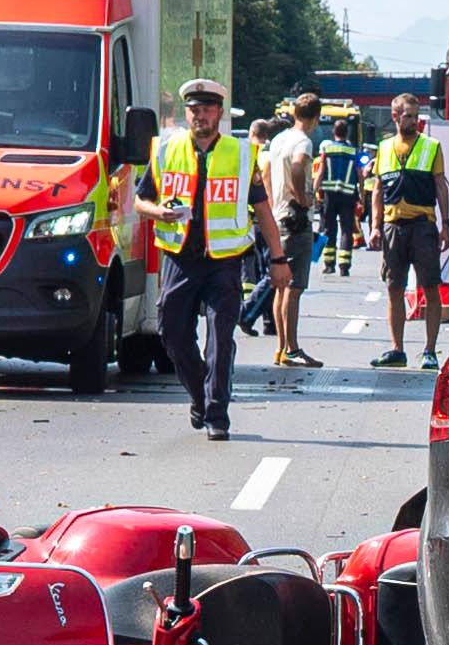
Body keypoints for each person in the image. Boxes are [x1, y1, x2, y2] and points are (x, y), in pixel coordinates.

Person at [126, 77, 268, 440]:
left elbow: (262, 209)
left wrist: (279, 260)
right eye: (194, 110)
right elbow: (140, 200)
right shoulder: (166, 149)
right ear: (186, 113)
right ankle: (200, 397)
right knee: (171, 333)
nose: (200, 115)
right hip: (180, 257)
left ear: (218, 113)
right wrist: (158, 212)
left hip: (224, 261)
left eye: (206, 109)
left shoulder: (240, 154)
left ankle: (217, 414)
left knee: (220, 339)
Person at [368, 94, 449, 367]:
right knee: (394, 287)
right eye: (408, 116)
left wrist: (446, 225)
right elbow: (378, 190)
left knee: (430, 287)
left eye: (416, 116)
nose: (414, 121)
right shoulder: (384, 148)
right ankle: (397, 350)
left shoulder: (431, 147)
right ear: (395, 117)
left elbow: (440, 186)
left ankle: (430, 350)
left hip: (422, 225)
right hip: (394, 227)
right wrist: (375, 226)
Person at [262, 94, 326, 369]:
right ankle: (293, 348)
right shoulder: (303, 142)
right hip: (295, 218)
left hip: (277, 215)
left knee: (281, 287)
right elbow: (299, 166)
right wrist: (302, 197)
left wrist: (270, 201)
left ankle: (281, 348)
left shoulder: (279, 139)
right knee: (295, 288)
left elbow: (265, 172)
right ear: (315, 117)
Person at [316, 113, 366, 273]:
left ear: (333, 132)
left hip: (329, 195)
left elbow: (321, 172)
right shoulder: (354, 151)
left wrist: (314, 191)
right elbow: (360, 174)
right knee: (346, 229)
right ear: (347, 133)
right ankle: (344, 266)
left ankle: (329, 265)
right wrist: (362, 196)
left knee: (329, 229)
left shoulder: (327, 149)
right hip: (348, 195)